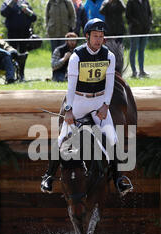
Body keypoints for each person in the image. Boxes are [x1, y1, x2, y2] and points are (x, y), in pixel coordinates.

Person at [40, 18, 133, 196]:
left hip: (99, 101)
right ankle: (48, 177)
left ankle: (118, 179)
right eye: (95, 36)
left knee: (113, 139)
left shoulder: (109, 56)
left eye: (101, 36)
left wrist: (105, 105)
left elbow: (109, 83)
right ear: (87, 37)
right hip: (79, 102)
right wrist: (68, 110)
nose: (98, 40)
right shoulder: (77, 56)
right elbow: (71, 85)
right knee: (61, 140)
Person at [1, 0, 37, 81]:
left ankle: (21, 74)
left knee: (23, 55)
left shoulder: (25, 3)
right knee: (12, 54)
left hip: (24, 34)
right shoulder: (7, 3)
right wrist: (11, 3)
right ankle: (12, 75)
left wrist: (26, 11)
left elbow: (33, 17)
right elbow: (3, 13)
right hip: (12, 34)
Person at [126, 0, 153, 78]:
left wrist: (150, 22)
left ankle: (142, 71)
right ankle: (134, 71)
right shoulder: (130, 2)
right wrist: (136, 23)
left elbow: (149, 13)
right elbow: (128, 16)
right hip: (135, 31)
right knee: (133, 50)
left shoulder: (146, 1)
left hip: (145, 30)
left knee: (141, 50)